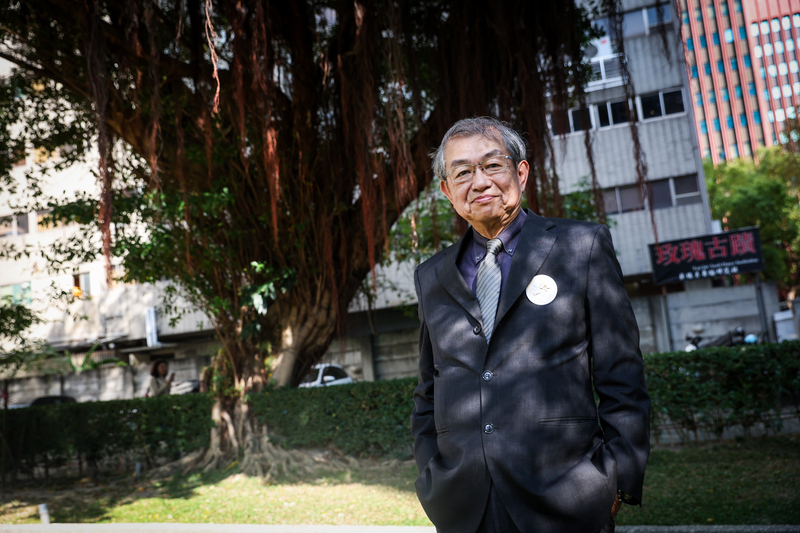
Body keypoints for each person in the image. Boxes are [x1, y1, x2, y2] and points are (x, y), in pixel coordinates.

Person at [411, 117, 651, 533]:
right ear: (448, 191)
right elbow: (428, 392)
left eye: (492, 165)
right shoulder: (431, 276)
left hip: (568, 499)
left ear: (520, 173)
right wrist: (432, 477)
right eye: (462, 172)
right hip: (464, 507)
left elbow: (622, 375)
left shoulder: (581, 246)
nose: (479, 181)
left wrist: (615, 481)